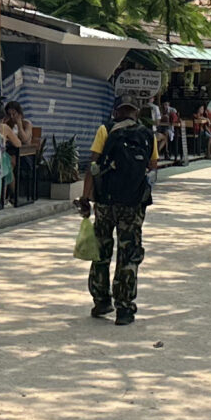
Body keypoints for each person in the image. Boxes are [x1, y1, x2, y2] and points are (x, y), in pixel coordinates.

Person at [80, 99, 155, 325]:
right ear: (136, 113)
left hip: (105, 203)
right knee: (129, 254)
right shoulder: (146, 135)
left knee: (101, 252)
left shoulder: (105, 129)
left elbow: (92, 167)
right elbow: (152, 166)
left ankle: (102, 301)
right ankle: (125, 309)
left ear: (116, 112)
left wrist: (86, 198)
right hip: (133, 205)